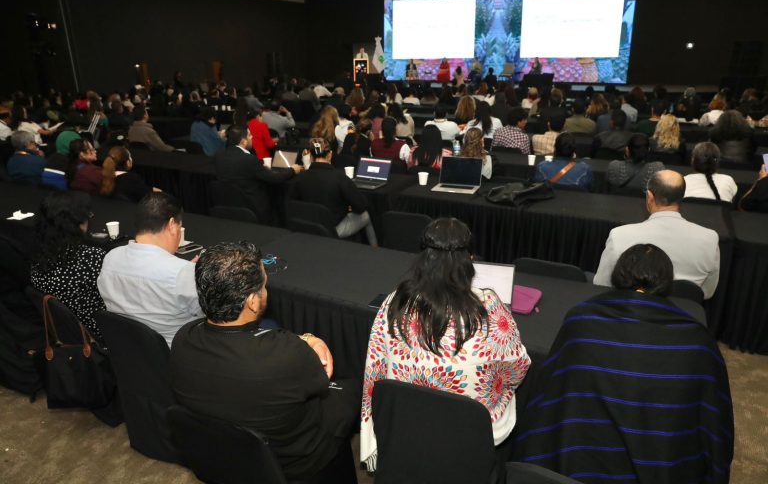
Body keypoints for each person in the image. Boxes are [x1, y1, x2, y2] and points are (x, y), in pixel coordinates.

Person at [514, 243, 733, 484]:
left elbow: (549, 393)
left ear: (617, 275)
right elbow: (714, 420)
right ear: (667, 282)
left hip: (579, 462)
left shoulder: (582, 320)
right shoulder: (698, 341)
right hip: (663, 466)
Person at [169, 241, 359, 481]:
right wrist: (310, 339)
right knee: (355, 387)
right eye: (264, 286)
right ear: (252, 301)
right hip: (297, 463)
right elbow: (320, 383)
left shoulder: (183, 339)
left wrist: (305, 339)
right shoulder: (285, 355)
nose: (266, 292)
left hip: (224, 456)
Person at [361, 218, 530, 471]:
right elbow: (518, 366)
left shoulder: (395, 302)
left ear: (423, 257)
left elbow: (375, 369)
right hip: (468, 435)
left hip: (406, 424)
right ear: (470, 259)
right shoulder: (489, 308)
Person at [97, 192, 203, 347]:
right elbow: (210, 312)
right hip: (177, 352)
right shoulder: (181, 273)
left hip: (127, 349)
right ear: (172, 225)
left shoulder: (110, 258)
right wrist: (196, 275)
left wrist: (187, 271)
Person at [594, 170, 720, 299]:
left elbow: (602, 284)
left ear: (649, 196)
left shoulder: (619, 235)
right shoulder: (710, 239)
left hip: (629, 308)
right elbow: (706, 293)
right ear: (682, 197)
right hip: (682, 309)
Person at [31, 191, 107, 341]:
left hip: (67, 332)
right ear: (76, 223)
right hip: (99, 331)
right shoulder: (93, 258)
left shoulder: (38, 258)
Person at [291, 138, 377, 245]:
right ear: (330, 155)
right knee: (367, 215)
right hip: (333, 229)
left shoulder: (299, 178)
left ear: (311, 157)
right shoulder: (340, 178)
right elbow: (362, 205)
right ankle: (374, 249)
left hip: (309, 226)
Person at [215, 125, 301, 224]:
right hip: (254, 207)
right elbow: (275, 178)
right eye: (249, 135)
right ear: (243, 142)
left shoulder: (219, 156)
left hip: (229, 206)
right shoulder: (248, 159)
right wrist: (292, 170)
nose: (252, 137)